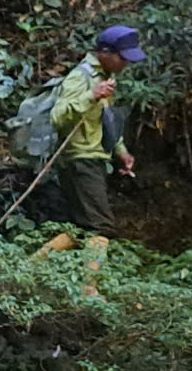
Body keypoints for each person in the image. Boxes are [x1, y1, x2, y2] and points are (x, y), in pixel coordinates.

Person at [43, 24, 143, 243]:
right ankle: (91, 278)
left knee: (82, 229)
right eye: (123, 58)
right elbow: (57, 116)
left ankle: (32, 268)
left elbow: (104, 120)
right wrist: (91, 96)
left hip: (94, 158)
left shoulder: (104, 77)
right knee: (101, 228)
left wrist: (121, 152)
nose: (126, 63)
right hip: (80, 160)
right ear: (105, 53)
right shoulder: (81, 77)